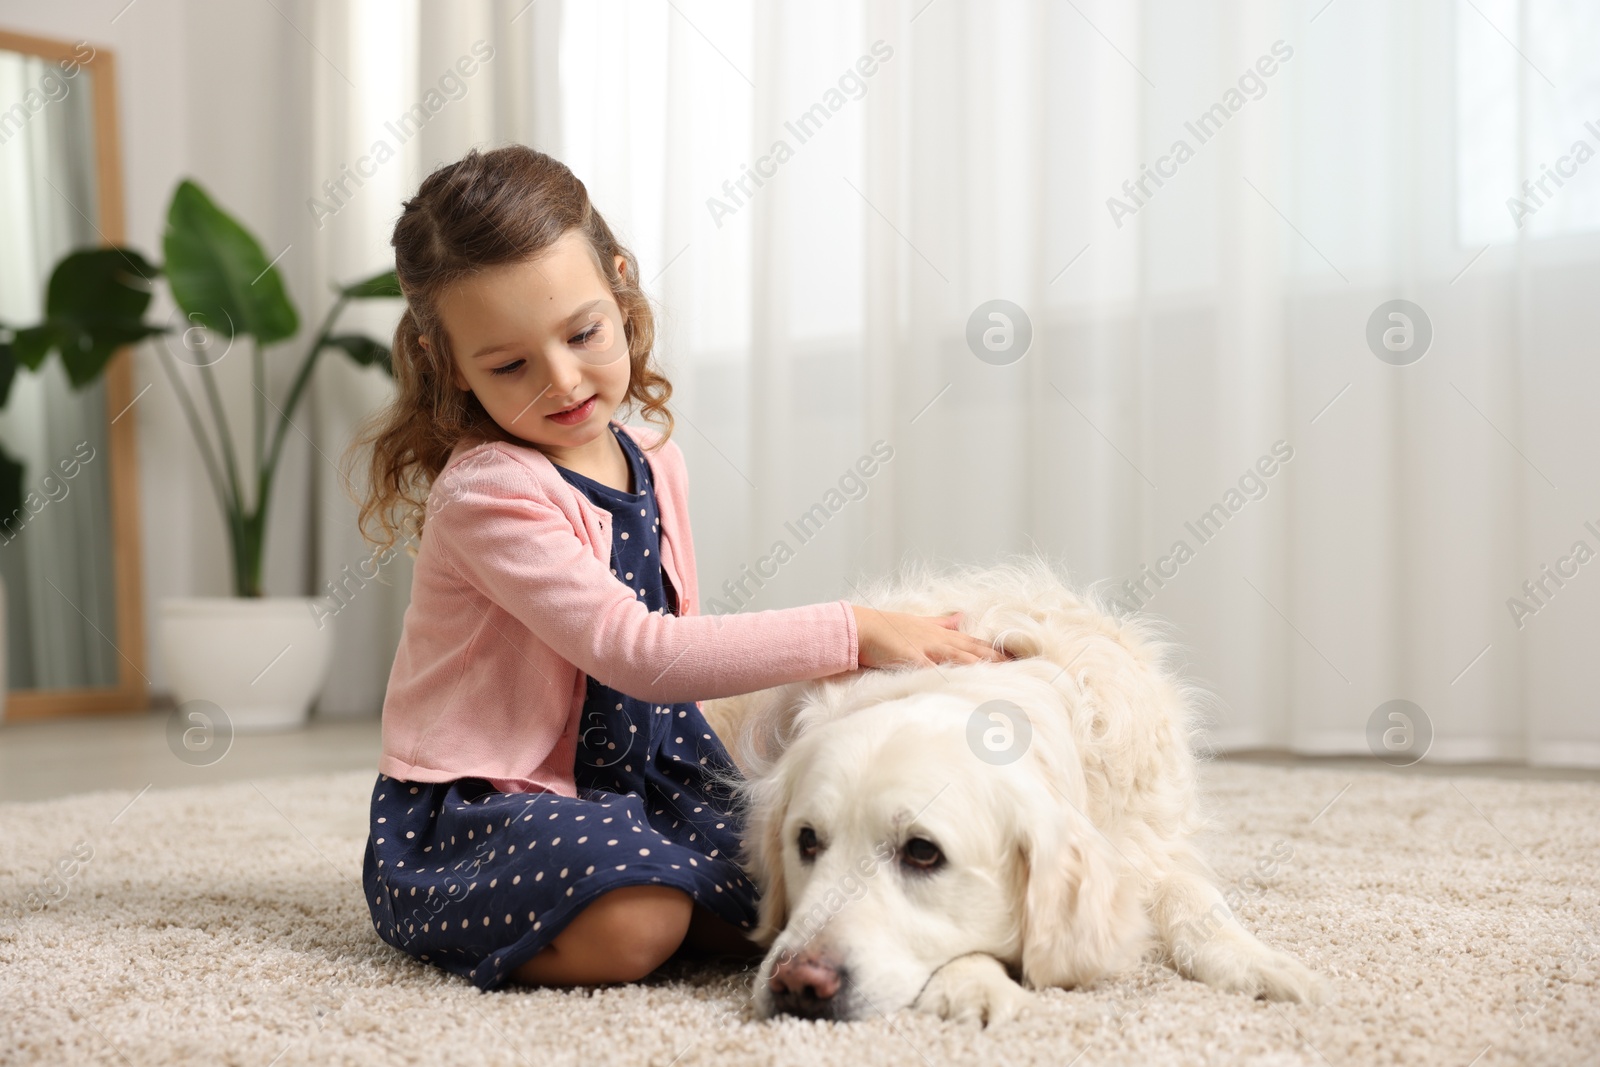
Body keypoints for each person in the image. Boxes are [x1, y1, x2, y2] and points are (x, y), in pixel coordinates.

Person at [346, 143, 1006, 992]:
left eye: (583, 333)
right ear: (447, 363)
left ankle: (665, 888)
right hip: (490, 799)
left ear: (620, 286)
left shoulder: (655, 457)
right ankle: (558, 911)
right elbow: (641, 652)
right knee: (639, 924)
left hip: (643, 775)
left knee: (799, 875)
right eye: (508, 365)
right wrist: (855, 630)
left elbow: (682, 643)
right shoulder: (488, 493)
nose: (562, 379)